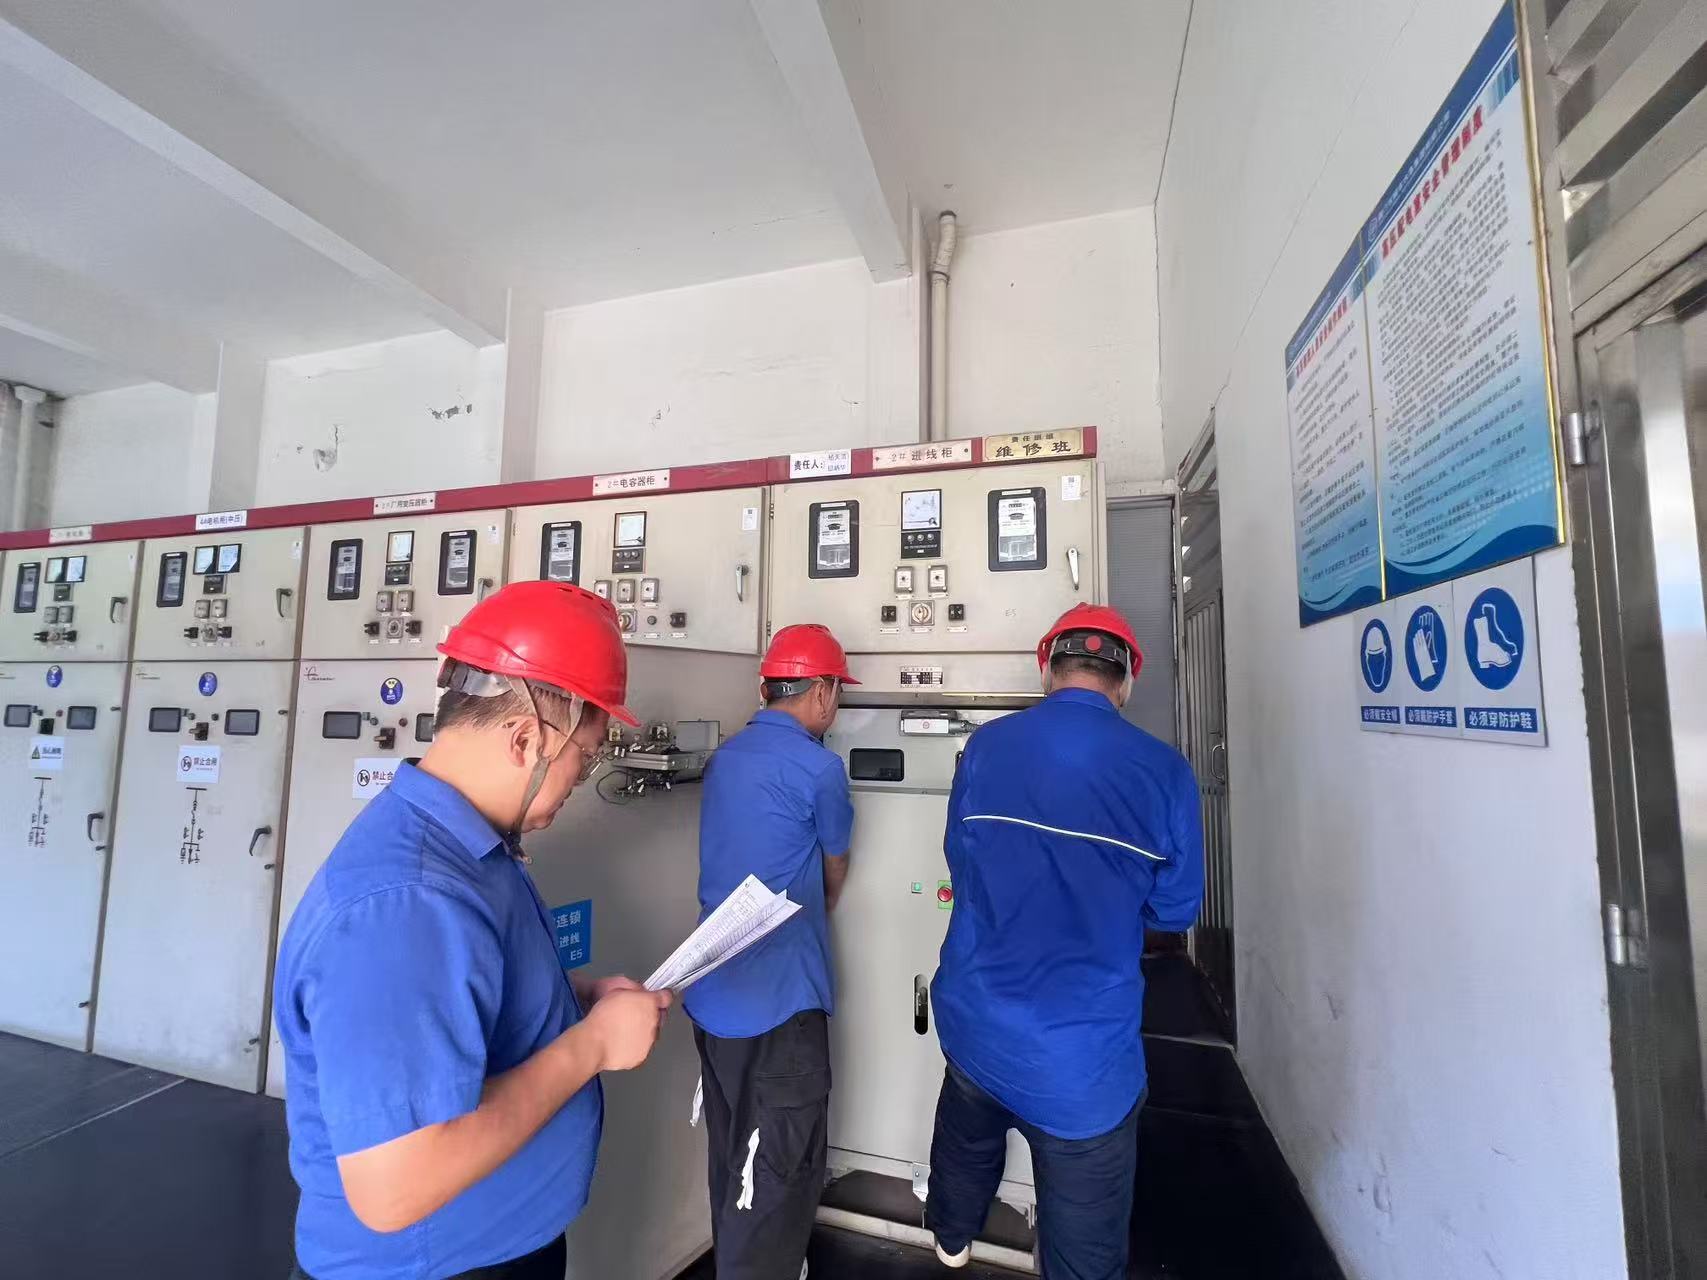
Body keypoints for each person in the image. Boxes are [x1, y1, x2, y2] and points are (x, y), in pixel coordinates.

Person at [274, 580, 674, 1280]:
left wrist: (573, 996)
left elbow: (461, 992)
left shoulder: (466, 847)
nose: (581, 777)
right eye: (584, 756)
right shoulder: (407, 904)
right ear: (526, 739)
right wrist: (592, 1046)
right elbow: (396, 1187)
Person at [926, 603, 1205, 1280]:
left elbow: (959, 859)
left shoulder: (985, 746)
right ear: (1127, 681)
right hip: (1082, 1061)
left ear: (1046, 668)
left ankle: (951, 1240)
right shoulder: (1165, 772)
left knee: (965, 1141)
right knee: (1084, 1246)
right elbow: (1174, 909)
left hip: (975, 1023)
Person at [683, 623, 858, 1280]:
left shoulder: (725, 757)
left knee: (735, 1154)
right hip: (780, 1002)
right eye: (836, 692)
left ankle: (749, 1262)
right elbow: (835, 865)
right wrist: (820, 905)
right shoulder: (821, 769)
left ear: (766, 689)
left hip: (713, 991)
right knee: (780, 1166)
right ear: (822, 691)